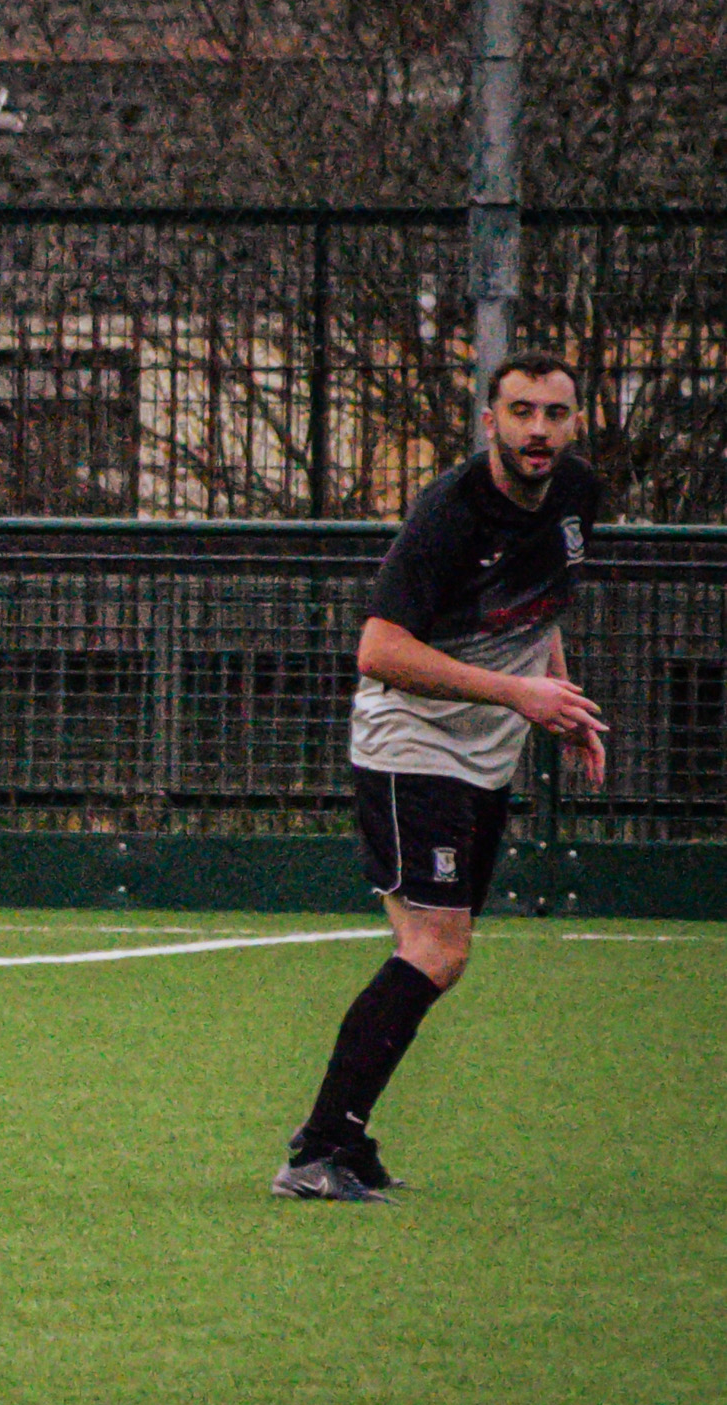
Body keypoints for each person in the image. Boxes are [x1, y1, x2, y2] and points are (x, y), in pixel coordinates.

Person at [273, 352, 607, 1202]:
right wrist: (518, 694)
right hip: (411, 746)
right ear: (489, 421)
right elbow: (379, 651)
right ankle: (318, 1149)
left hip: (486, 753)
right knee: (435, 948)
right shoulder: (449, 514)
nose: (539, 430)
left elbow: (540, 610)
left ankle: (342, 1138)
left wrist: (558, 704)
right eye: (522, 411)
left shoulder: (577, 498)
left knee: (435, 954)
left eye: (556, 414)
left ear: (577, 422)